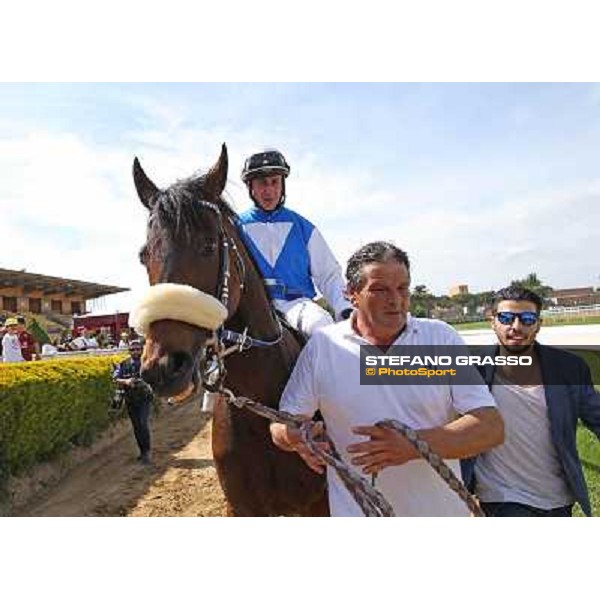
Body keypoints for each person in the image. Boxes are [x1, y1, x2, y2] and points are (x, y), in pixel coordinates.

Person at [269, 241, 504, 516]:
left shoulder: (439, 338)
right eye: (380, 290)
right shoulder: (323, 346)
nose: (396, 300)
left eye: (402, 288)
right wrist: (295, 436)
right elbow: (281, 426)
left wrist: (414, 445)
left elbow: (490, 428)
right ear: (351, 294)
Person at [461, 286, 600, 517]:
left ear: (538, 324)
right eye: (506, 318)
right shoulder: (472, 368)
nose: (516, 327)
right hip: (501, 499)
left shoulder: (569, 368)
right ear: (492, 321)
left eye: (527, 319)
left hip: (558, 500)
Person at [237, 148, 352, 337]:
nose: (269, 190)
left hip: (297, 305)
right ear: (251, 187)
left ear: (282, 184)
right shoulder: (235, 226)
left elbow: (329, 274)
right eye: (262, 183)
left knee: (323, 327)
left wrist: (344, 307)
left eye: (275, 182)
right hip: (250, 308)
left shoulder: (304, 227)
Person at [113, 339, 155, 465]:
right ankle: (142, 452)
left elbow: (154, 378)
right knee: (136, 427)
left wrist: (143, 383)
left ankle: (147, 452)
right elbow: (115, 378)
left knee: (142, 424)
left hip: (144, 398)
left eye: (138, 349)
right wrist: (125, 381)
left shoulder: (147, 362)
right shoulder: (123, 364)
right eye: (132, 349)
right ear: (129, 351)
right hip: (130, 399)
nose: (135, 351)